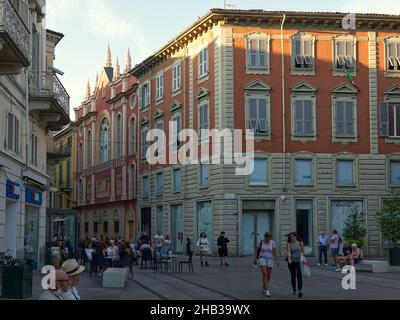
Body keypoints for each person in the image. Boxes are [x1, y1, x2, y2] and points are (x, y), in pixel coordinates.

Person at [253, 232, 279, 297]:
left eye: (270, 237)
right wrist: (254, 259)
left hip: (270, 259)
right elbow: (256, 251)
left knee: (269, 276)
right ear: (265, 236)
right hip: (262, 258)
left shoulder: (272, 242)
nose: (268, 239)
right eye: (267, 237)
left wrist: (277, 260)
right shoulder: (261, 242)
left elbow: (274, 251)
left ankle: (264, 285)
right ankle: (267, 290)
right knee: (265, 273)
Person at [286, 232, 305, 298]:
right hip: (291, 262)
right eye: (290, 237)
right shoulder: (289, 244)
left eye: (292, 237)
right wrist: (289, 259)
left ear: (295, 236)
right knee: (293, 276)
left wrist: (302, 255)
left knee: (299, 275)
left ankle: (300, 291)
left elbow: (303, 251)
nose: (291, 238)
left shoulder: (300, 243)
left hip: (299, 261)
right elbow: (288, 252)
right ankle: (294, 289)